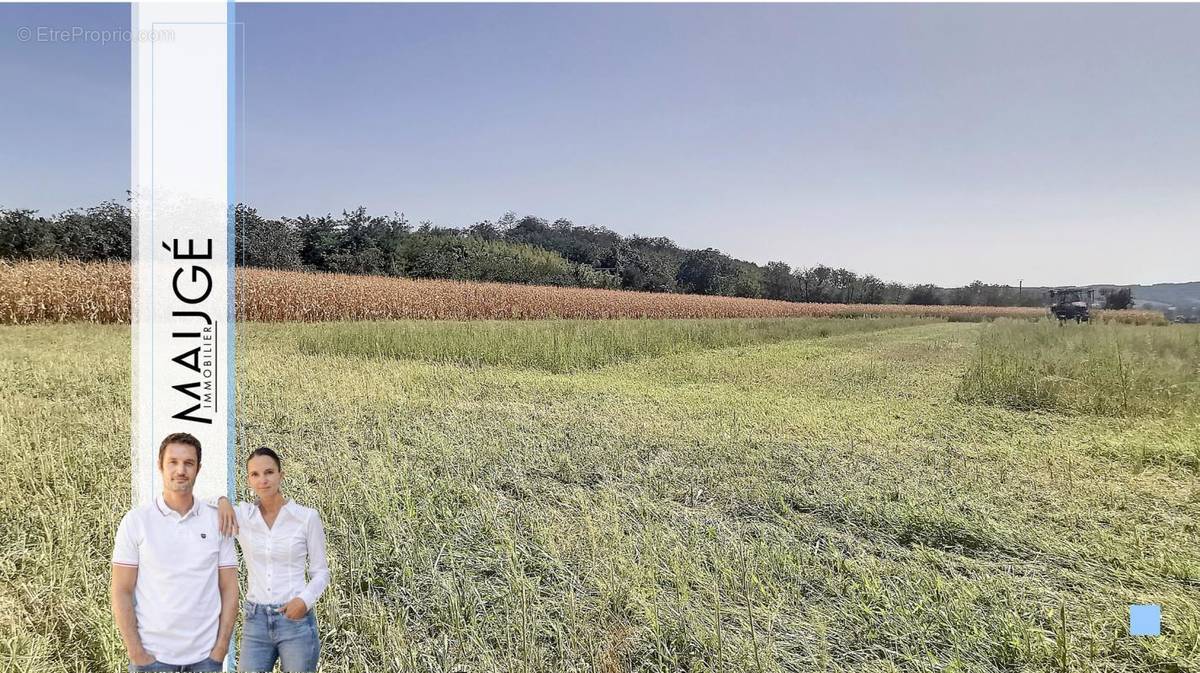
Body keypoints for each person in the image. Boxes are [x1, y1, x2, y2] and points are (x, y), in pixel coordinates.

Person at [111, 432, 239, 672]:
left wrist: (220, 650)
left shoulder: (217, 521)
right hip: (152, 660)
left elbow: (230, 589)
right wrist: (136, 652)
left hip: (205, 660)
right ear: (160, 466)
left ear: (198, 469)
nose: (181, 470)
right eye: (173, 462)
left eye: (188, 463)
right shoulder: (136, 521)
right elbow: (121, 590)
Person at [213, 447, 329, 673]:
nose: (262, 480)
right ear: (248, 479)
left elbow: (321, 572)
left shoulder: (306, 518)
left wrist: (303, 601)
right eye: (255, 475)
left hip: (295, 619)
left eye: (269, 472)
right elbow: (198, 504)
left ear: (280, 475)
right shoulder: (243, 517)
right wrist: (222, 500)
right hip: (255, 620)